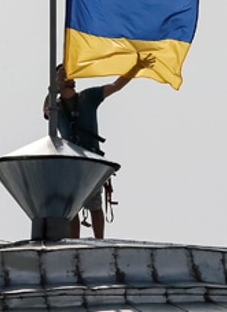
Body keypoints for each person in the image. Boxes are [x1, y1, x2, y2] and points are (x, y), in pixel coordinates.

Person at [44, 52, 155, 239]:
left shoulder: (88, 98)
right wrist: (54, 86)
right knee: (72, 208)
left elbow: (115, 86)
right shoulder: (57, 107)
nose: (69, 78)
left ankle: (99, 241)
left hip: (91, 159)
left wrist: (137, 67)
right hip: (71, 161)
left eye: (69, 75)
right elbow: (46, 110)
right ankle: (74, 243)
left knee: (95, 205)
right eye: (64, 75)